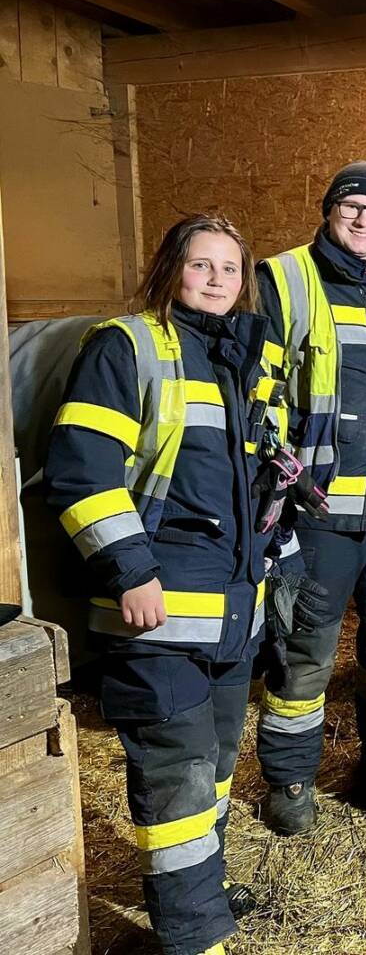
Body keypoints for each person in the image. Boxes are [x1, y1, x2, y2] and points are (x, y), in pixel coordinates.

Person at [48, 215, 281, 955]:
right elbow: (81, 474)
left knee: (213, 773)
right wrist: (132, 571)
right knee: (176, 777)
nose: (217, 279)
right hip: (156, 618)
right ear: (168, 269)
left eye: (230, 268)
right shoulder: (128, 347)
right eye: (201, 264)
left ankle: (199, 891)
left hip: (230, 615)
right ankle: (191, 934)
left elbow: (259, 484)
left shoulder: (241, 358)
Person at [255, 161, 366, 835]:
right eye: (352, 207)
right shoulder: (287, 279)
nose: (365, 220)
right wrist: (281, 466)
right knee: (303, 657)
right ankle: (290, 783)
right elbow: (259, 389)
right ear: (329, 210)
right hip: (322, 513)